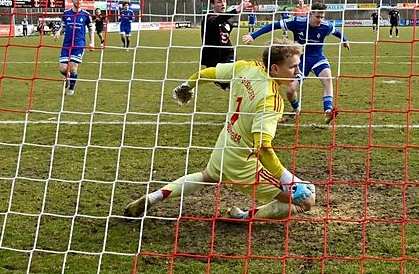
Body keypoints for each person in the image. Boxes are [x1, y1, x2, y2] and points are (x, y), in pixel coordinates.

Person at [124, 38, 316, 221]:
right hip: (243, 163)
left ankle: (154, 197)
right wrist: (287, 180)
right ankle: (244, 216)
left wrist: (187, 85)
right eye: (293, 67)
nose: (298, 71)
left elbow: (208, 73)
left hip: (225, 144)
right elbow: (263, 148)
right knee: (307, 199)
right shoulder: (271, 100)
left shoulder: (247, 67)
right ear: (275, 68)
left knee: (206, 176)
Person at [243, 2, 349, 124]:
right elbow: (274, 25)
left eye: (323, 17)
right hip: (300, 60)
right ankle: (296, 108)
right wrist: (253, 35)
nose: (320, 20)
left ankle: (328, 111)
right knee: (290, 90)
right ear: (310, 14)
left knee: (327, 78)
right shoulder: (297, 22)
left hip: (317, 58)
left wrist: (345, 40)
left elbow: (337, 32)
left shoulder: (326, 26)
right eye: (318, 17)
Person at [201, 0, 251, 89]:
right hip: (213, 59)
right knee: (228, 85)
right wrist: (236, 10)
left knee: (236, 82)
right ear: (212, 5)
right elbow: (215, 22)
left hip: (228, 55)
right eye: (219, 1)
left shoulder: (227, 23)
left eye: (224, 1)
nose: (223, 4)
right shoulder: (208, 17)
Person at [55, 0, 94, 96]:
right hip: (66, 44)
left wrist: (92, 42)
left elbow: (90, 29)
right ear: (72, 0)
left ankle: (71, 88)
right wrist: (59, 31)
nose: (78, 1)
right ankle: (67, 76)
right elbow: (63, 26)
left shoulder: (86, 15)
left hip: (78, 44)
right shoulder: (66, 13)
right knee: (63, 69)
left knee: (73, 67)